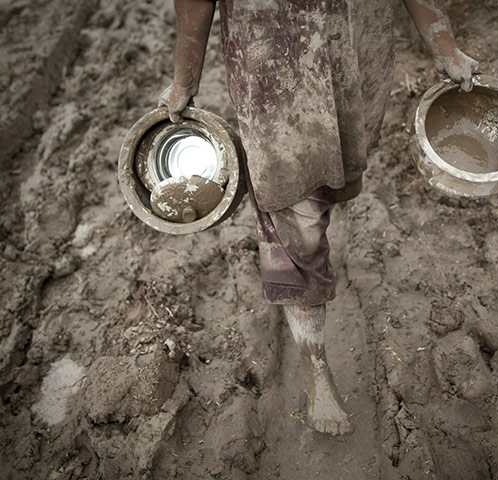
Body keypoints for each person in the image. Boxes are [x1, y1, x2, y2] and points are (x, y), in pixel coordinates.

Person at [159, 0, 478, 436]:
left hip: (354, 44)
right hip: (273, 58)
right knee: (295, 214)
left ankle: (314, 220)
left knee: (334, 173)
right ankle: (316, 368)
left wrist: (444, 46)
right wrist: (185, 76)